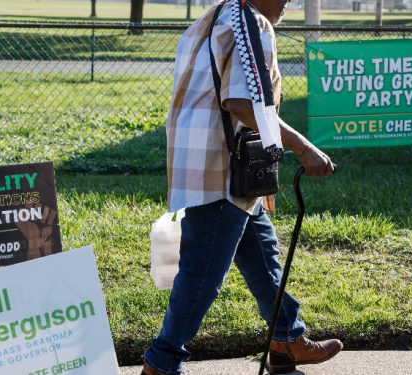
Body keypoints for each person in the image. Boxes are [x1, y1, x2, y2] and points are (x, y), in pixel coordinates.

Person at [141, 0, 341, 374]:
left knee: (262, 256)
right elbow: (241, 102)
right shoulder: (253, 23)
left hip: (206, 161)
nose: (288, 3)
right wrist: (303, 146)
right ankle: (162, 363)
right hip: (223, 169)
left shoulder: (212, 17)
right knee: (201, 275)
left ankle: (286, 339)